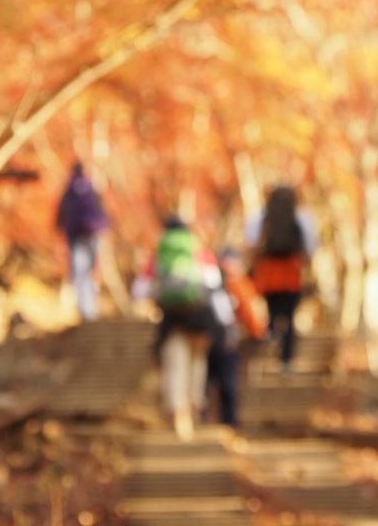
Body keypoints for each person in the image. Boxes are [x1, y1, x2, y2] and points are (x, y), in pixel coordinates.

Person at [133, 215, 221, 439]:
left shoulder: (160, 253)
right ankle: (195, 409)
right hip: (200, 318)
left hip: (171, 319)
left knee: (175, 365)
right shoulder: (199, 250)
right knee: (197, 365)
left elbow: (140, 289)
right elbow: (214, 284)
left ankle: (178, 416)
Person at [246, 183, 318, 369]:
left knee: (273, 312)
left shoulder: (262, 216)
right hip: (292, 273)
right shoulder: (301, 217)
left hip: (269, 273)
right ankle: (286, 360)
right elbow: (310, 245)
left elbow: (251, 242)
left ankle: (272, 336)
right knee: (289, 317)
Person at [206, 247, 268, 427]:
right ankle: (229, 421)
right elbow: (251, 313)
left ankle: (205, 419)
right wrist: (258, 332)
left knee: (209, 382)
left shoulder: (212, 282)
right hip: (229, 340)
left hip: (208, 338)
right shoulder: (240, 283)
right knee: (228, 383)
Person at [55, 160, 109, 321]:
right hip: (93, 234)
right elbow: (101, 211)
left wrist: (62, 228)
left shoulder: (69, 190)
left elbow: (60, 215)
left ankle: (85, 310)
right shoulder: (92, 188)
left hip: (76, 236)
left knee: (80, 273)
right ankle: (92, 307)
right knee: (92, 271)